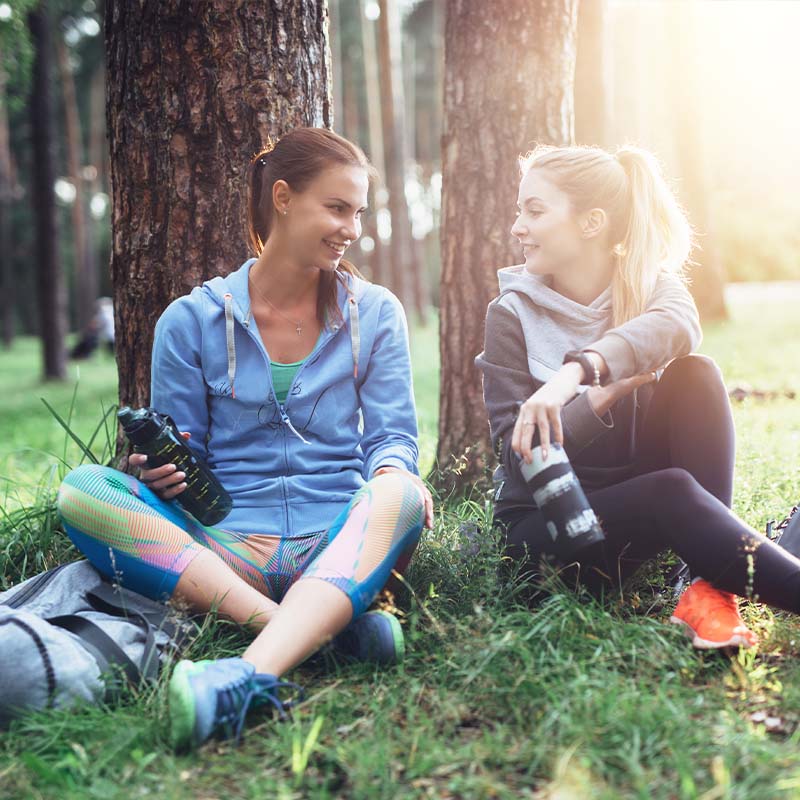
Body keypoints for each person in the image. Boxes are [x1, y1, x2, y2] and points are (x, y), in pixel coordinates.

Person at [57, 128, 433, 748]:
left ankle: (244, 675)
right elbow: (189, 455)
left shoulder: (377, 313)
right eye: (337, 208)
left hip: (336, 542)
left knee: (402, 491)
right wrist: (164, 475)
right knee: (84, 490)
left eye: (358, 212)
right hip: (227, 550)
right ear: (282, 199)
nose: (352, 228)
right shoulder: (189, 321)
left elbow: (392, 436)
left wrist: (394, 473)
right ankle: (321, 632)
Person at [476, 143, 800, 651]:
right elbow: (518, 468)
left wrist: (576, 374)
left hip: (640, 522)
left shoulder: (650, 290)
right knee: (667, 489)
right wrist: (600, 398)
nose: (518, 226)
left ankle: (706, 591)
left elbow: (680, 327)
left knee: (696, 374)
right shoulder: (510, 313)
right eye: (521, 211)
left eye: (534, 211)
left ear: (591, 223)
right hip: (546, 533)